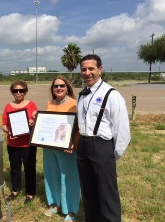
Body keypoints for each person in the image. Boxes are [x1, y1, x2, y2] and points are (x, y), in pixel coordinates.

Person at [77, 54, 131, 222]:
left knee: (107, 194)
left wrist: (112, 154)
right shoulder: (81, 95)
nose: (87, 73)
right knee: (88, 191)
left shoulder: (111, 94)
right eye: (84, 69)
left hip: (101, 145)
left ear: (100, 69)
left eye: (91, 68)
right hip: (84, 146)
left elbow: (122, 130)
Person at [43, 76, 80, 222]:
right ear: (52, 89)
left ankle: (70, 210)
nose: (58, 88)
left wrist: (75, 143)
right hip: (50, 147)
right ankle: (55, 203)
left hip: (67, 148)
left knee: (69, 177)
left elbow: (79, 127)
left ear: (67, 87)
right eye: (55, 86)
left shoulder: (75, 103)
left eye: (62, 86)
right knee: (51, 175)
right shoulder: (50, 103)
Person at [2, 79, 37, 205]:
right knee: (15, 168)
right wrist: (9, 132)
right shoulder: (8, 106)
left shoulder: (31, 104)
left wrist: (33, 121)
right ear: (12, 92)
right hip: (13, 143)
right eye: (15, 91)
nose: (18, 93)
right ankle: (15, 190)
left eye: (21, 90)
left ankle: (30, 193)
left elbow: (35, 119)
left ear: (25, 91)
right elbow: (4, 124)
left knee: (29, 168)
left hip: (28, 143)